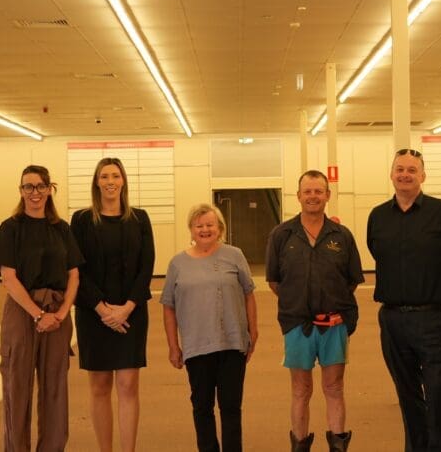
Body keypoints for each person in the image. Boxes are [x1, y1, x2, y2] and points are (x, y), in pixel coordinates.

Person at [367, 148, 441, 452]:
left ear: (422, 176)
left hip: (433, 318)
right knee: (407, 391)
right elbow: (376, 251)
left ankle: (440, 448)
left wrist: (437, 287)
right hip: (392, 318)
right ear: (391, 174)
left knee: (437, 389)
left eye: (412, 170)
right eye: (399, 169)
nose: (405, 175)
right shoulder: (378, 216)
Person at [265, 170, 364, 452]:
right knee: (300, 390)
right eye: (307, 191)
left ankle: (338, 445)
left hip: (334, 325)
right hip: (297, 325)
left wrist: (330, 302)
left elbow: (352, 280)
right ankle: (300, 445)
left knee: (334, 388)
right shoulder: (282, 235)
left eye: (318, 191)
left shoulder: (342, 236)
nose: (313, 196)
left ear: (327, 196)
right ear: (298, 196)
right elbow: (274, 281)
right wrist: (299, 303)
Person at [0, 165, 83, 451]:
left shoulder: (61, 228)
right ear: (21, 191)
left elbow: (74, 275)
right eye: (27, 187)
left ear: (49, 189)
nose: (34, 193)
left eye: (40, 186)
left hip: (57, 314)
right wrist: (38, 314)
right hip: (22, 312)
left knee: (55, 390)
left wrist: (61, 313)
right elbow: (9, 278)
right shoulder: (10, 228)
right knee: (16, 388)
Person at [71, 158, 156, 452]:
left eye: (115, 175)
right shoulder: (81, 220)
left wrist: (126, 308)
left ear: (123, 181)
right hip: (93, 315)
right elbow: (77, 269)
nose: (110, 181)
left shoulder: (140, 219)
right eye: (104, 176)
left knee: (128, 386)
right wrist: (103, 309)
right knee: (99, 387)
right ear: (96, 182)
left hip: (131, 314)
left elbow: (147, 268)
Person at [161, 203, 258, 452]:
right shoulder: (177, 264)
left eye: (210, 225)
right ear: (191, 230)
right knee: (202, 407)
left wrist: (252, 331)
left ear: (220, 228)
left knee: (230, 408)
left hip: (232, 343)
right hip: (196, 347)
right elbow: (168, 306)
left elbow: (249, 294)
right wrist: (174, 346)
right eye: (199, 225)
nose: (205, 229)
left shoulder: (234, 255)